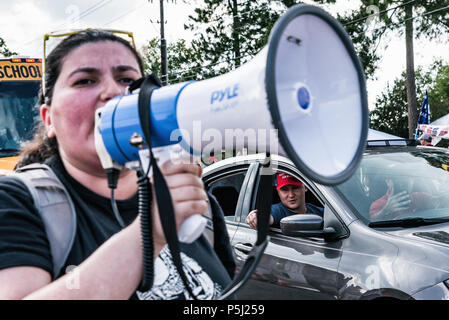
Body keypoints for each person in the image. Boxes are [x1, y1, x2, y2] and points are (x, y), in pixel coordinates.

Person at [0, 30, 232, 300]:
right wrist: (149, 232)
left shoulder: (195, 201)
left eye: (126, 80)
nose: (113, 92)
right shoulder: (15, 201)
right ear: (49, 118)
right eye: (85, 80)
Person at [246, 173, 323, 229]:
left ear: (305, 187)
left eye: (295, 188)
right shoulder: (277, 211)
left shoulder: (317, 211)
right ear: (278, 192)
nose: (291, 195)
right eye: (285, 190)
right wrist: (256, 217)